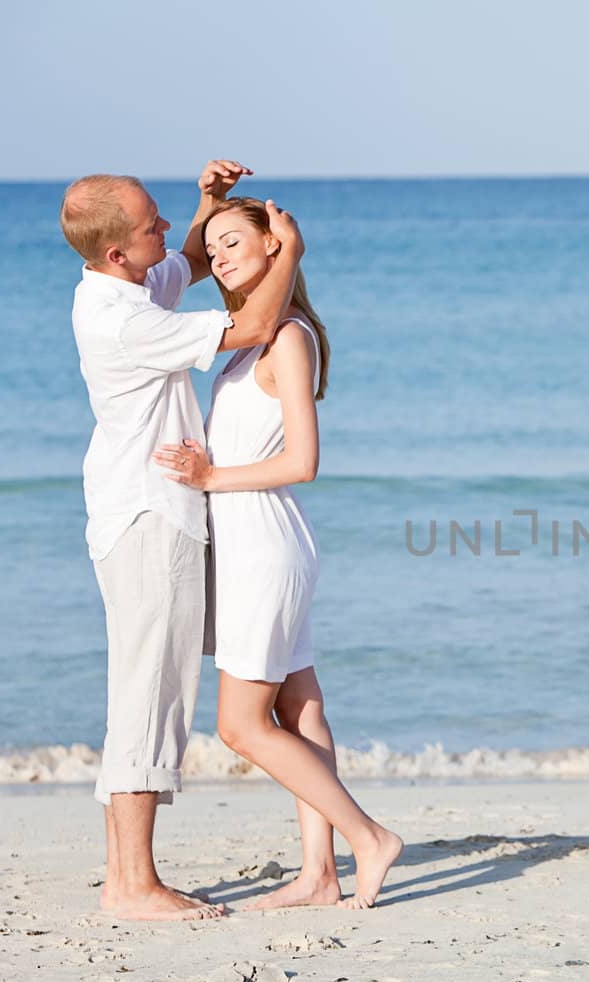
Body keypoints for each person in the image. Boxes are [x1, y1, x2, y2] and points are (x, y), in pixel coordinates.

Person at [62, 162, 304, 920]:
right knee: (151, 697)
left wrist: (206, 204)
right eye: (151, 227)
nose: (169, 232)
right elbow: (258, 324)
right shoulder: (124, 318)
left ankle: (125, 876)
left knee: (140, 689)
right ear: (116, 255)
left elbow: (195, 262)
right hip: (150, 516)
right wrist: (288, 253)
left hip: (141, 511)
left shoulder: (124, 285)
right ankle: (132, 885)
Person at [153, 197, 403, 909]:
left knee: (240, 724)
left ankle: (370, 836)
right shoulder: (247, 342)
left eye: (237, 241)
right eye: (215, 245)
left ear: (274, 246)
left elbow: (303, 460)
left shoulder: (286, 338)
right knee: (301, 709)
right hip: (252, 541)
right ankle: (319, 876)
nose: (222, 255)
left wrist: (210, 476)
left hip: (264, 543)